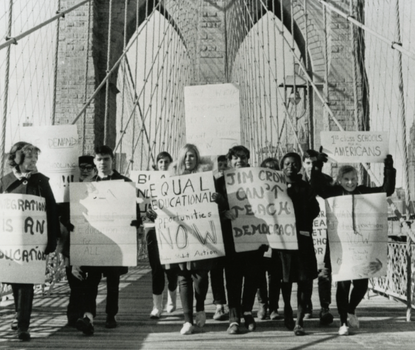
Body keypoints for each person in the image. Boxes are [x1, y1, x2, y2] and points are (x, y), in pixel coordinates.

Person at [310, 150, 396, 336]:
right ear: (340, 180)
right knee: (343, 284)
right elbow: (315, 186)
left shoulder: (363, 192)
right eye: (347, 179)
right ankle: (343, 322)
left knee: (362, 284)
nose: (350, 182)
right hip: (340, 246)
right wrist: (317, 165)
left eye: (353, 178)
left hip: (361, 247)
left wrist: (388, 167)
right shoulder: (332, 193)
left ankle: (350, 309)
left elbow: (386, 190)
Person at [74, 145, 141, 335]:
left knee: (113, 282)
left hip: (115, 241)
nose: (103, 163)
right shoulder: (86, 185)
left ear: (113, 160)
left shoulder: (125, 183)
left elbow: (134, 212)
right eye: (99, 159)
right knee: (91, 282)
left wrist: (134, 221)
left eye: (106, 159)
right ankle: (89, 316)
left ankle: (111, 315)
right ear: (95, 161)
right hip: (95, 241)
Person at [0, 142, 60, 341]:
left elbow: (51, 212)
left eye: (35, 158)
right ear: (17, 159)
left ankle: (23, 326)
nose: (33, 162)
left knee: (26, 283)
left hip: (34, 244)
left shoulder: (41, 182)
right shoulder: (5, 182)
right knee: (15, 280)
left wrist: (52, 241)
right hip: (10, 245)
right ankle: (18, 316)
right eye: (29, 158)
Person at [214, 145, 264, 335]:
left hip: (254, 235)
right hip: (231, 238)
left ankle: (247, 312)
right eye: (235, 157)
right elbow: (209, 210)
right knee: (233, 279)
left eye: (243, 157)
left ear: (248, 160)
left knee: (252, 277)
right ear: (229, 161)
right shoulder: (220, 183)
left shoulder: (259, 180)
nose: (239, 161)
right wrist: (222, 212)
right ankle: (234, 318)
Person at [167, 144, 215, 335]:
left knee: (201, 276)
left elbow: (213, 201)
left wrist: (216, 198)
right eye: (186, 156)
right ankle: (187, 320)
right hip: (179, 234)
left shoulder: (206, 179)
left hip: (201, 232)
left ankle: (201, 307)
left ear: (197, 158)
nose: (189, 159)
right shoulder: (171, 180)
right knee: (183, 277)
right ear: (180, 159)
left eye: (193, 156)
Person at [273, 152, 320, 336]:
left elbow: (314, 210)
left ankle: (299, 321)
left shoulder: (306, 188)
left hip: (302, 240)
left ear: (299, 166)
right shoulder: (275, 186)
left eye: (294, 164)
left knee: (304, 280)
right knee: (285, 280)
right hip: (282, 241)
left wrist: (299, 216)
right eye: (286, 164)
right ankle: (287, 309)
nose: (290, 167)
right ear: (281, 166)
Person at [57, 155, 98, 327]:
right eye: (83, 167)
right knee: (74, 280)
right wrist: (67, 222)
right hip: (73, 240)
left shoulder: (102, 189)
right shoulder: (69, 189)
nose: (86, 170)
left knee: (91, 280)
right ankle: (74, 315)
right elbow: (61, 212)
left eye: (90, 167)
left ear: (95, 170)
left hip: (95, 241)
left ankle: (87, 316)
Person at [301, 150, 334, 325]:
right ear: (302, 164)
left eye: (314, 164)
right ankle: (307, 305)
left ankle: (325, 308)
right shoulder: (298, 182)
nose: (310, 167)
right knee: (306, 273)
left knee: (324, 272)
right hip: (305, 233)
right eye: (307, 163)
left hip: (323, 231)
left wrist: (316, 171)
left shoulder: (326, 181)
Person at [146, 151, 178, 318]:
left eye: (166, 162)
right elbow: (144, 205)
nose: (163, 165)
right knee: (156, 268)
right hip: (153, 229)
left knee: (172, 269)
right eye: (160, 162)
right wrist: (149, 212)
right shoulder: (149, 183)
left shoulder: (177, 182)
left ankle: (172, 299)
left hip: (172, 229)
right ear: (156, 165)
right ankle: (156, 307)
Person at [256, 157, 282, 321]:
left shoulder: (283, 189)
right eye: (266, 169)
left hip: (278, 237)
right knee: (259, 274)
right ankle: (262, 304)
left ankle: (273, 307)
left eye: (273, 169)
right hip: (259, 237)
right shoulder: (255, 190)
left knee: (275, 275)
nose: (270, 171)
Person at [210, 155, 228, 321]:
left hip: (231, 231)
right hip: (214, 232)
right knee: (215, 270)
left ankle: (235, 305)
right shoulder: (207, 183)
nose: (222, 167)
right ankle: (219, 305)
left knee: (231, 269)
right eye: (219, 164)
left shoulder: (236, 182)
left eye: (225, 164)